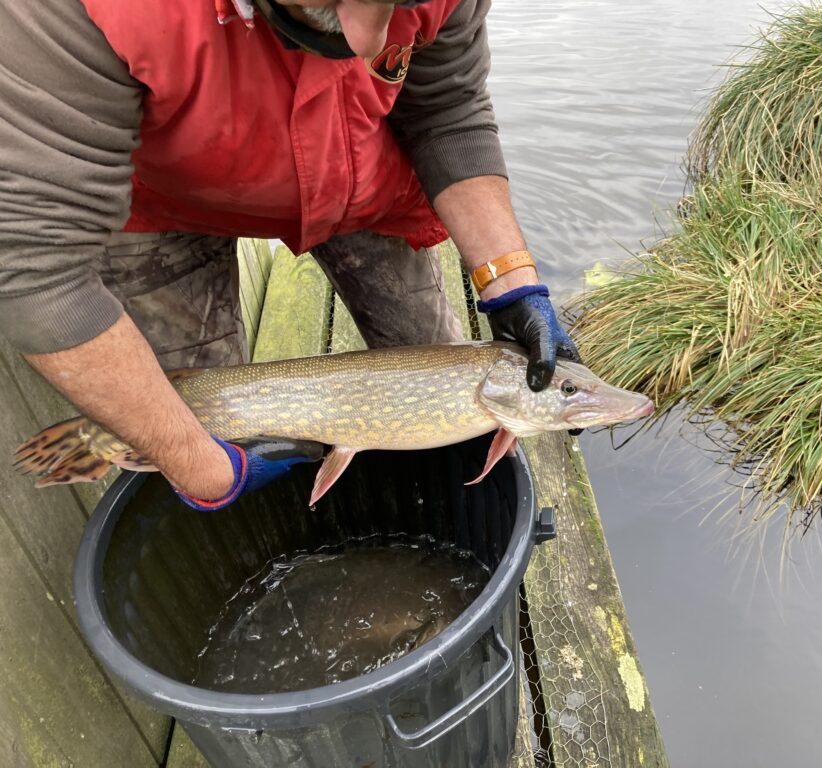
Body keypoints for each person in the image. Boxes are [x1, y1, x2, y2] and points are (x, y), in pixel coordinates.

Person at [0, 0, 580, 510]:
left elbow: (448, 109)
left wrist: (512, 282)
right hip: (163, 199)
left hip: (362, 179)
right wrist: (200, 465)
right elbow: (35, 272)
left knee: (443, 375)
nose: (369, 41)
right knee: (188, 418)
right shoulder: (71, 9)